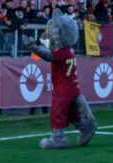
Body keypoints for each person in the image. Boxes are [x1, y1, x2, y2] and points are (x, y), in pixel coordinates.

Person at [21, 10, 97, 149]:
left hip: (64, 88)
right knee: (72, 112)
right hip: (73, 87)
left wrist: (33, 47)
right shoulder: (69, 50)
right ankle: (85, 127)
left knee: (58, 111)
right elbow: (50, 49)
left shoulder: (62, 52)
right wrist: (39, 43)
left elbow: (48, 55)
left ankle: (58, 138)